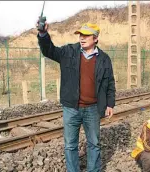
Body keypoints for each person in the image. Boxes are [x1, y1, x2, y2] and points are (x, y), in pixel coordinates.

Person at [37, 21, 116, 172]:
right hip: (71, 108)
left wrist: (110, 104)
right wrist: (43, 34)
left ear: (95, 38)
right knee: (70, 145)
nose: (82, 38)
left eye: (86, 35)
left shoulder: (104, 59)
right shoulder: (69, 51)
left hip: (93, 108)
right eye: (80, 34)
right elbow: (49, 50)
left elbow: (110, 83)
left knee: (94, 143)